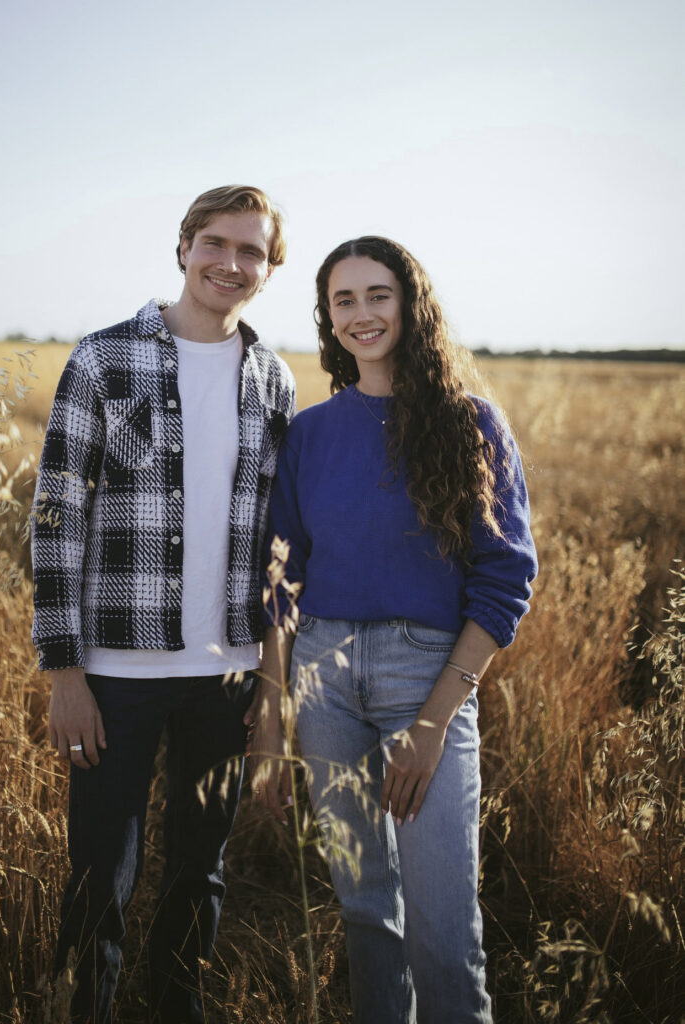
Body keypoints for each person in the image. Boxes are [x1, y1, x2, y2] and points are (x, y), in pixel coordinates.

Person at [249, 236, 538, 1023]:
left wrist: (435, 719)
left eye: (377, 294)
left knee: (444, 931)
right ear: (328, 319)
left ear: (410, 304)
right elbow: (281, 578)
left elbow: (507, 575)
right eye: (343, 300)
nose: (361, 314)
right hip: (322, 676)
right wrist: (272, 713)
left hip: (426, 676)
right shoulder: (309, 433)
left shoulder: (469, 421)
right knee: (367, 914)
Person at [31, 185, 296, 1024]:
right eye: (215, 242)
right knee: (99, 873)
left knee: (198, 873)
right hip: (114, 675)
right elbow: (53, 514)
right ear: (183, 247)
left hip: (226, 674)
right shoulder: (105, 359)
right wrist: (64, 672)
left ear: (267, 267)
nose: (230, 262)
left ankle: (178, 1007)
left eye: (250, 250)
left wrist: (270, 691)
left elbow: (280, 553)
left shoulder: (274, 380)